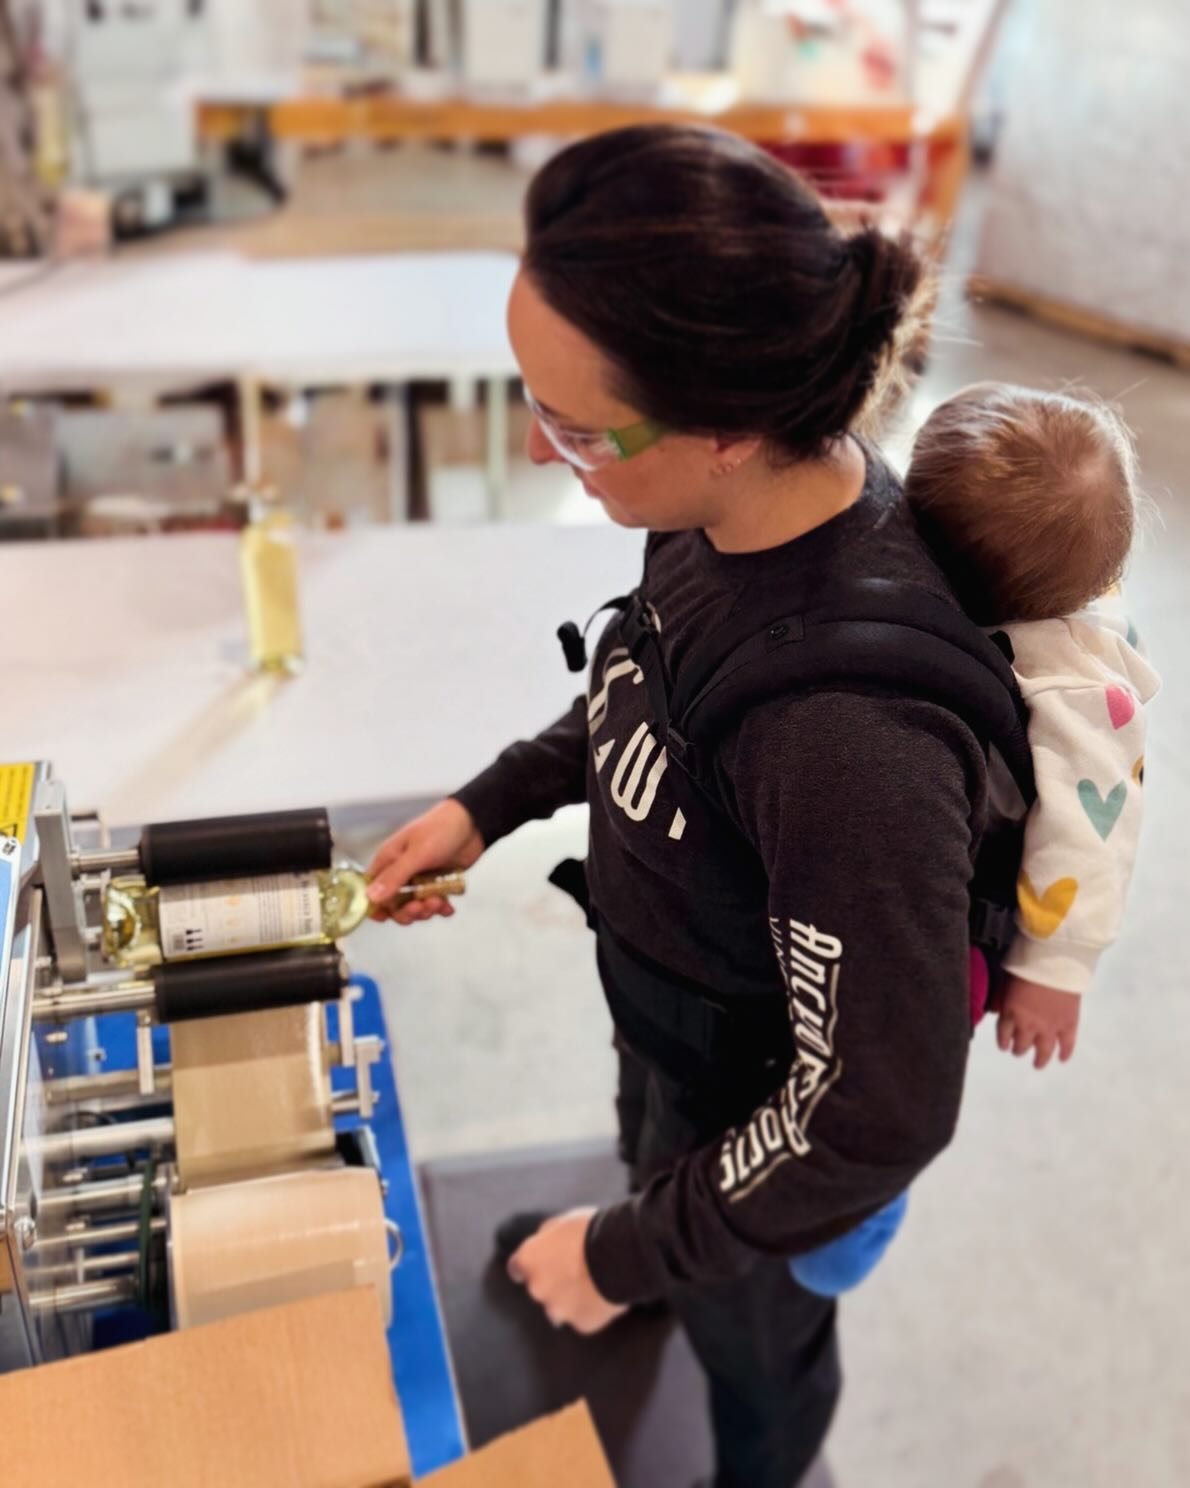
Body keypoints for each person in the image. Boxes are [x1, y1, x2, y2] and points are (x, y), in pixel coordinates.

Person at [367, 124, 981, 1488]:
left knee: (753, 1353)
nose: (546, 458)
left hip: (766, 1129)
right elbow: (638, 687)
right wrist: (494, 800)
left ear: (724, 425)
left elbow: (869, 1115)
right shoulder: (708, 515)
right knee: (643, 1135)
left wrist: (626, 1246)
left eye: (575, 429)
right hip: (668, 1013)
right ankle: (647, 1228)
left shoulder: (850, 746)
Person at [788, 383, 1159, 1301]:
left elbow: (1095, 837)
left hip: (963, 929)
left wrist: (1056, 968)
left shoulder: (1071, 693)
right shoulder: (1037, 570)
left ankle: (850, 1235)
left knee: (891, 1077)